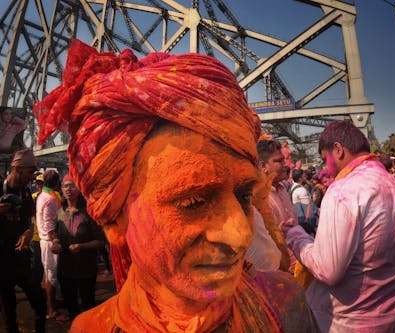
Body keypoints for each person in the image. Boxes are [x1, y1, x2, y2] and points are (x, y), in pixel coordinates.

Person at [33, 39, 317, 333]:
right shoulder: (90, 329)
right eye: (192, 202)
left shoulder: (284, 301)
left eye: (244, 196)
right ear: (115, 221)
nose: (240, 235)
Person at [282, 120, 395, 332]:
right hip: (392, 318)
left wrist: (295, 236)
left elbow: (328, 270)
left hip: (349, 323)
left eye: (325, 159)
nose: (326, 168)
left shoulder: (344, 190)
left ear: (338, 150)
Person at [0, 149, 46, 333]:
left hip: (21, 260)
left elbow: (29, 221)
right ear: (18, 169)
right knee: (9, 314)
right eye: (29, 172)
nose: (32, 177)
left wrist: (28, 232)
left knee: (40, 303)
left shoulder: (26, 193)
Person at [54, 175, 105, 318]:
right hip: (65, 268)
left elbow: (101, 241)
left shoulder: (89, 212)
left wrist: (81, 246)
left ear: (79, 188)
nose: (68, 189)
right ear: (61, 189)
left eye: (72, 185)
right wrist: (56, 242)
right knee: (71, 305)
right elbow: (55, 235)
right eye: (65, 186)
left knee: (88, 303)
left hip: (86, 268)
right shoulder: (59, 213)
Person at [257, 139, 295, 273]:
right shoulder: (257, 197)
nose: (285, 165)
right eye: (279, 161)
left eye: (284, 160)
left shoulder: (283, 189)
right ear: (263, 166)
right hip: (277, 272)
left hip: (296, 266)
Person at [35, 169, 62, 319]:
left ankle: (54, 303)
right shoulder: (51, 198)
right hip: (49, 241)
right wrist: (55, 240)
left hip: (43, 239)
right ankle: (51, 310)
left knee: (48, 273)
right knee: (51, 276)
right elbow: (50, 223)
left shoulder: (42, 195)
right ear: (57, 183)